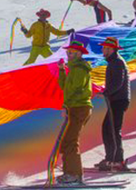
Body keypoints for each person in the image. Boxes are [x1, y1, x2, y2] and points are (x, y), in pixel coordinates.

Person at [55, 40, 93, 185]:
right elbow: (64, 86)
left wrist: (66, 105)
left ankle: (75, 175)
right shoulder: (74, 69)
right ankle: (69, 173)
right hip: (74, 108)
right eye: (67, 52)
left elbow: (77, 89)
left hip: (79, 108)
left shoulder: (80, 69)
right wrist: (62, 70)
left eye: (70, 52)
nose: (68, 54)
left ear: (78, 54)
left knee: (70, 141)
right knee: (66, 141)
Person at [94, 37, 130, 172]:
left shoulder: (117, 62)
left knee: (113, 131)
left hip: (119, 100)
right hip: (115, 99)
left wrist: (106, 91)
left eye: (107, 49)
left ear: (114, 49)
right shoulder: (113, 62)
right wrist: (105, 91)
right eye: (104, 48)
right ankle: (110, 158)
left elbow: (118, 83)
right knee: (108, 129)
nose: (104, 50)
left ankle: (116, 160)